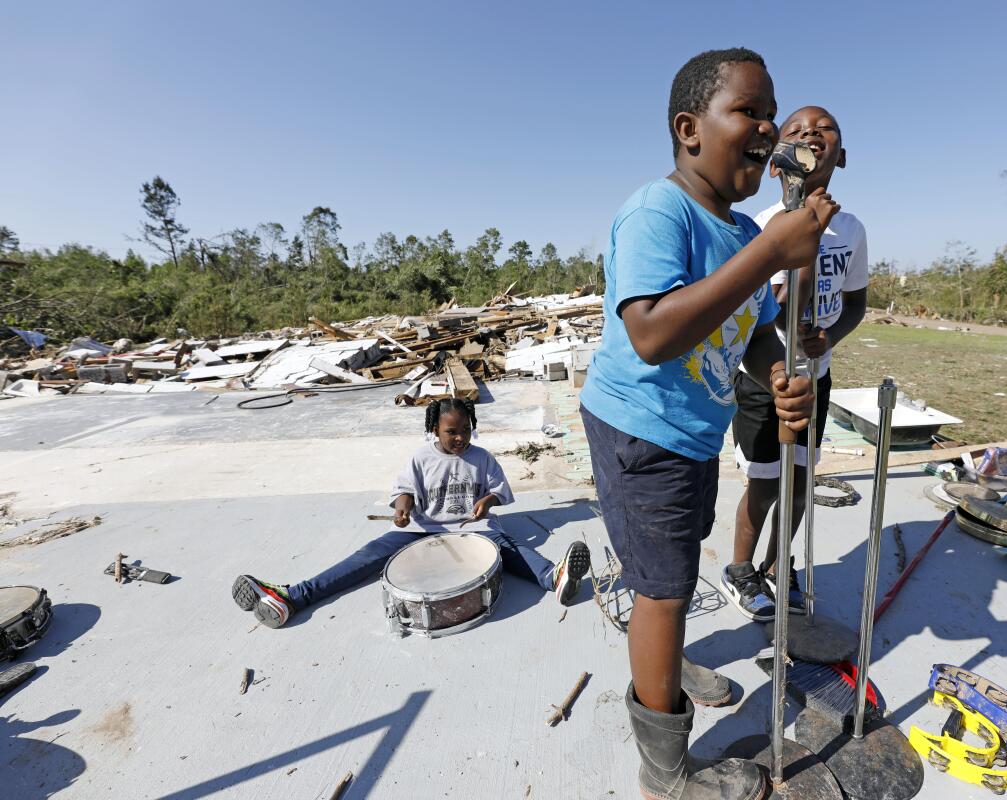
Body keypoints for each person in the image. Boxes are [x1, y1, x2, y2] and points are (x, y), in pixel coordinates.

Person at [580, 49, 835, 800]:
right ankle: (665, 774)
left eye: (770, 113)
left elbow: (751, 334)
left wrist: (779, 375)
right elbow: (653, 332)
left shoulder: (736, 232)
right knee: (664, 590)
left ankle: (659, 657)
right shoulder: (661, 211)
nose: (766, 127)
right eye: (749, 112)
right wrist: (769, 252)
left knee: (673, 566)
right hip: (639, 429)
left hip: (690, 433)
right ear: (689, 129)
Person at [231, 398, 592, 628]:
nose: (460, 438)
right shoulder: (421, 458)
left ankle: (555, 578)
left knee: (510, 550)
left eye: (466, 430)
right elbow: (403, 491)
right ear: (434, 429)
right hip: (421, 528)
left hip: (473, 528)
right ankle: (293, 597)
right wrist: (402, 509)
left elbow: (499, 490)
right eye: (452, 432)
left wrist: (488, 502)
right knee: (367, 558)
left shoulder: (482, 458)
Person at [721, 106, 869, 621]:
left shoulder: (849, 229)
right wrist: (804, 227)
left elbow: (854, 304)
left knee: (802, 483)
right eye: (797, 131)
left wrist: (829, 340)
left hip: (816, 376)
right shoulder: (761, 226)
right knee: (765, 483)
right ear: (777, 163)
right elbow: (783, 310)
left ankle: (777, 564)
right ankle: (741, 568)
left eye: (824, 128)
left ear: (841, 156)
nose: (810, 134)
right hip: (767, 377)